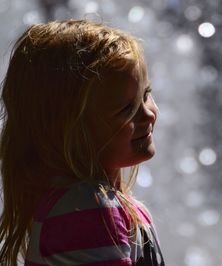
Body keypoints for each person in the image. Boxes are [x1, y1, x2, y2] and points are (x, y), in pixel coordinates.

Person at [0, 19, 165, 266]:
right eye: (126, 109)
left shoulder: (91, 203)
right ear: (70, 129)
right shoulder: (86, 208)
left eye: (146, 94)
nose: (149, 114)